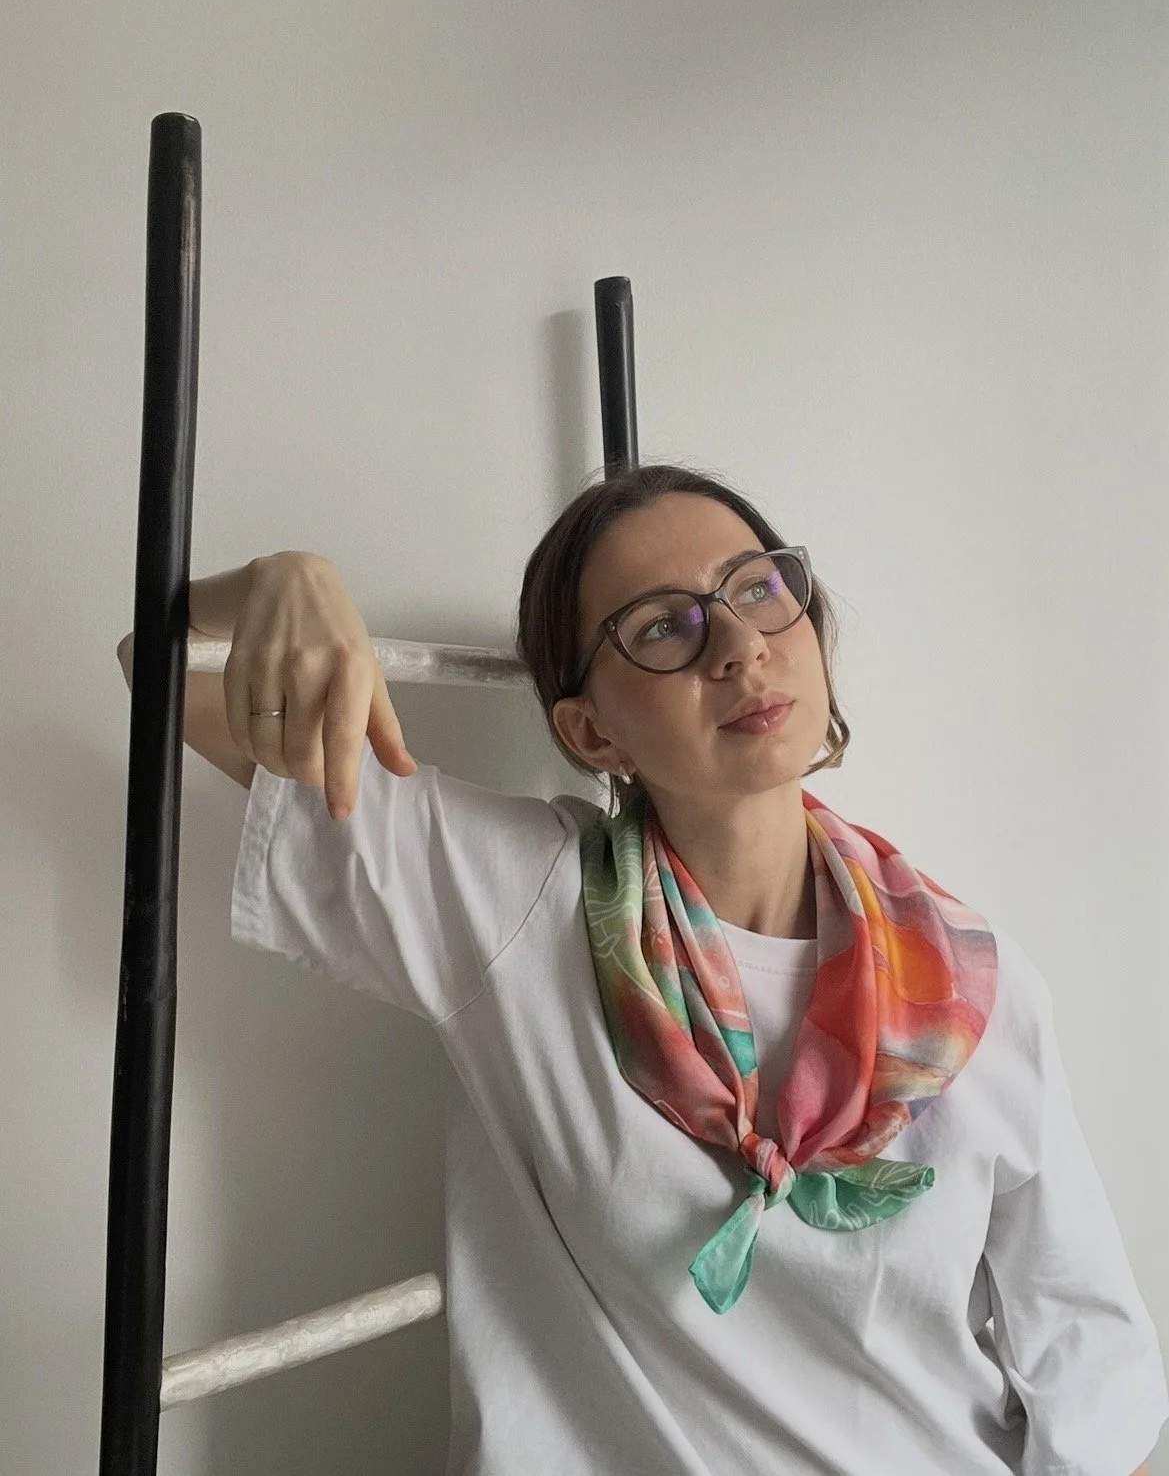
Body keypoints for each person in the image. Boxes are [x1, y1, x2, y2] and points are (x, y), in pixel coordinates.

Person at [120, 462, 1167, 1475]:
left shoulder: (963, 982)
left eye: (757, 588)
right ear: (589, 729)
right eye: (663, 625)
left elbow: (1087, 1371)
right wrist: (277, 582)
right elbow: (151, 669)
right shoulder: (516, 906)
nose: (739, 646)